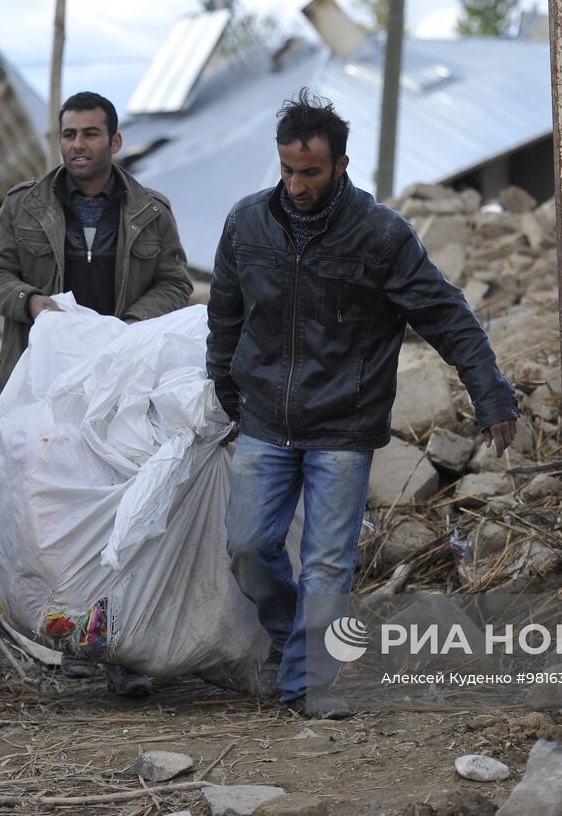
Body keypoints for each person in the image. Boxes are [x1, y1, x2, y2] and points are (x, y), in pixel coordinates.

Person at [207, 89, 519, 719]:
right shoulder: (247, 224)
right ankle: (293, 635)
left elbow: (448, 317)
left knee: (326, 562)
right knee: (247, 547)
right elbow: (225, 312)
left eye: (311, 172)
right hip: (265, 418)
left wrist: (491, 394)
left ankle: (309, 683)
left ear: (342, 165)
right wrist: (223, 385)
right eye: (288, 170)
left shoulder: (380, 236)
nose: (296, 185)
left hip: (343, 427)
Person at [0, 91, 193, 697]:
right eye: (69, 134)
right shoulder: (24, 207)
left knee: (126, 510)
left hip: (124, 387)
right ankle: (71, 634)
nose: (78, 145)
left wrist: (127, 329)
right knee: (49, 514)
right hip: (44, 386)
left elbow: (176, 282)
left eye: (91, 134)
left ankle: (125, 643)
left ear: (114, 142)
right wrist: (33, 304)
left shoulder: (151, 210)